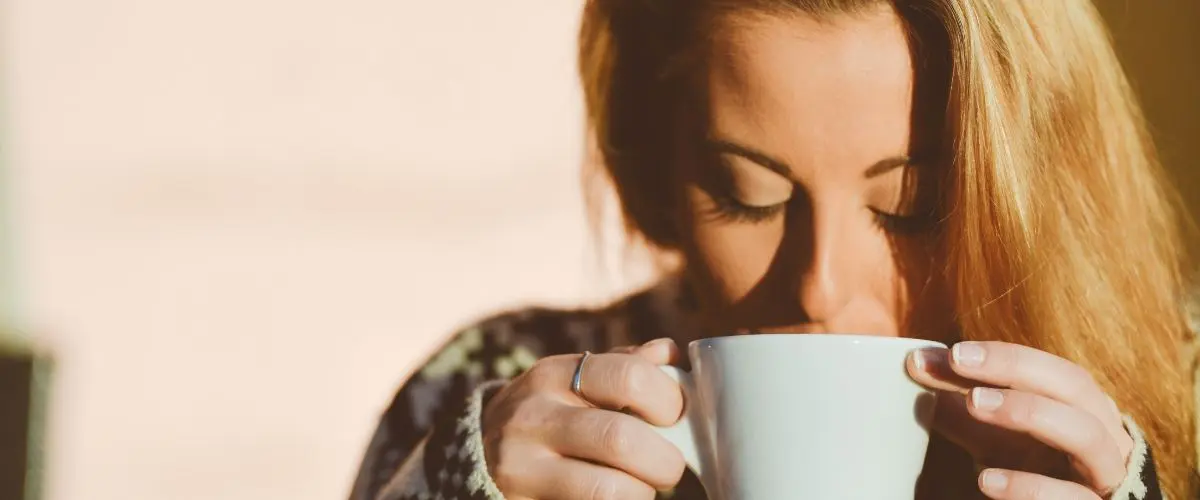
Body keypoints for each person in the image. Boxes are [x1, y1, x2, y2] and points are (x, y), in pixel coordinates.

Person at [349, 0, 1199, 498]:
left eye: (914, 207)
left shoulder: (1182, 383)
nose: (820, 288)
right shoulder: (487, 384)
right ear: (657, 164)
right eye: (746, 197)